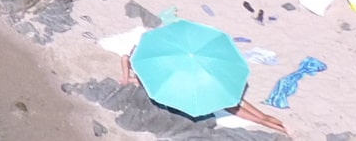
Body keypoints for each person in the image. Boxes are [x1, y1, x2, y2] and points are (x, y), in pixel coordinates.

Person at [119, 54, 292, 136]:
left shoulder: (159, 78)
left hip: (221, 98)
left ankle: (284, 131)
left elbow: (125, 59)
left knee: (256, 119)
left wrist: (127, 78)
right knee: (260, 115)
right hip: (224, 89)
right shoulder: (186, 67)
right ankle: (285, 126)